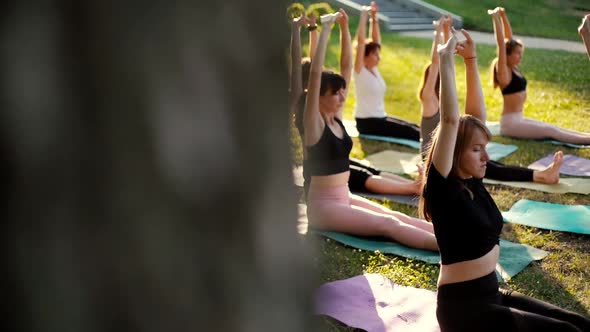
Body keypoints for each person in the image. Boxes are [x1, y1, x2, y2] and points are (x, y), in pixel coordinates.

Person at [419, 29, 590, 332]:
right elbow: (449, 121)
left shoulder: (472, 180)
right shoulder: (443, 189)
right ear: (455, 153)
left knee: (578, 323)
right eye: (476, 150)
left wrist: (471, 59)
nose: (486, 157)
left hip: (490, 295)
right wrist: (445, 58)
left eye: (485, 149)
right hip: (464, 310)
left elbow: (476, 120)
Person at [302, 12, 437, 250]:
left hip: (344, 195)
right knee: (388, 225)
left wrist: (343, 28)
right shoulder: (315, 123)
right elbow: (314, 77)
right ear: (318, 97)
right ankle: (457, 249)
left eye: (342, 91)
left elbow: (345, 66)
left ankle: (457, 234)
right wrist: (323, 30)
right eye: (335, 93)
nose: (343, 96)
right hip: (324, 206)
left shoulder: (335, 118)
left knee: (400, 218)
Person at [289, 9, 421, 197]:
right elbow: (305, 69)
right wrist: (296, 29)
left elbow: (343, 67)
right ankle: (414, 188)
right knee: (366, 176)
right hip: (320, 174)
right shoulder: (307, 108)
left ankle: (418, 184)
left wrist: (329, 28)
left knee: (371, 171)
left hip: (337, 160)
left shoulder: (328, 105)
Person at [418, 16, 563, 184]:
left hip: (452, 149)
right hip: (436, 158)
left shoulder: (445, 109)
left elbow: (475, 118)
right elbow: (436, 63)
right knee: (485, 163)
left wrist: (464, 53)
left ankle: (540, 175)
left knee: (483, 159)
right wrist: (441, 41)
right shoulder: (428, 98)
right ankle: (540, 175)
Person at [489, 7, 590, 144]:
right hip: (510, 125)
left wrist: (503, 15)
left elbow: (508, 40)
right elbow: (502, 44)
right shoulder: (504, 72)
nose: (520, 56)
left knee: (551, 127)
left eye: (521, 52)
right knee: (551, 132)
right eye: (517, 53)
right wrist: (495, 18)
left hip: (518, 119)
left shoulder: (513, 68)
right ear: (508, 55)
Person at [353, 1, 420, 141]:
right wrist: (363, 17)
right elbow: (360, 42)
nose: (379, 57)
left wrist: (374, 17)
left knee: (415, 127)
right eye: (375, 54)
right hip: (367, 122)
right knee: (414, 134)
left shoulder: (374, 70)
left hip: (380, 117)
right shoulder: (360, 71)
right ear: (365, 56)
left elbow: (376, 41)